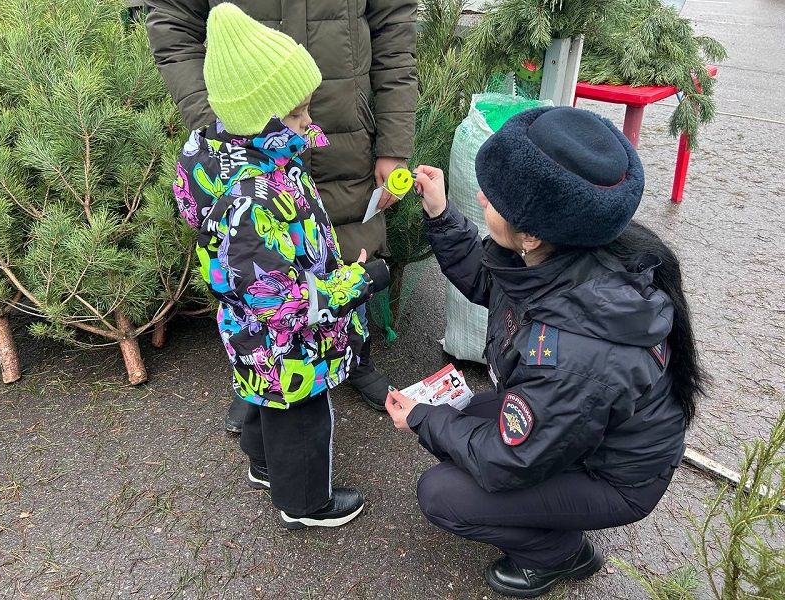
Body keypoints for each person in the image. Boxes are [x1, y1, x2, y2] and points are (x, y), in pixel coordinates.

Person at [386, 106, 705, 597]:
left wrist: (423, 420)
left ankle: (560, 555)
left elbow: (505, 461)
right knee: (467, 411)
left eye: (493, 198)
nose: (482, 196)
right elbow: (490, 282)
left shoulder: (578, 351)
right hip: (584, 429)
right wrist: (441, 214)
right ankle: (543, 519)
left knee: (442, 493)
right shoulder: (564, 255)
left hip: (612, 477)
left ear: (531, 233)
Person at [146, 0, 418, 430]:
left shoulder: (307, 119)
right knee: (264, 271)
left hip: (343, 126)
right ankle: (264, 380)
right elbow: (174, 24)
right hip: (252, 124)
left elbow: (393, 27)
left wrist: (394, 141)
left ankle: (348, 355)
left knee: (340, 243)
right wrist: (228, 122)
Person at [174, 4, 390, 528]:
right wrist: (356, 283)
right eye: (296, 115)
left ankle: (264, 464)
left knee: (260, 394)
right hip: (283, 337)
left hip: (253, 334)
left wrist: (328, 260)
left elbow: (277, 256)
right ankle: (305, 502)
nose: (308, 123)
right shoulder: (252, 198)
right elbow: (280, 301)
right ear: (256, 118)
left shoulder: (241, 159)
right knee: (300, 413)